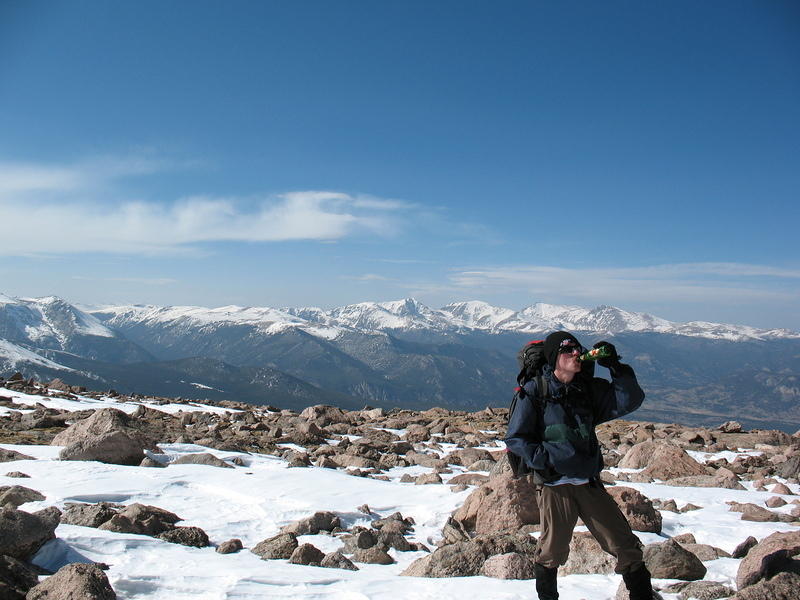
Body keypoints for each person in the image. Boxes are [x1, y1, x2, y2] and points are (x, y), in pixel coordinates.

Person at [505, 331, 654, 600]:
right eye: (568, 350)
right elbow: (516, 438)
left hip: (588, 483)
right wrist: (546, 461)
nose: (576, 354)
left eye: (577, 349)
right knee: (551, 552)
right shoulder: (536, 392)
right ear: (554, 358)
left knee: (624, 545)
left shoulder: (587, 390)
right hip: (555, 486)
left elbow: (629, 400)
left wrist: (616, 367)